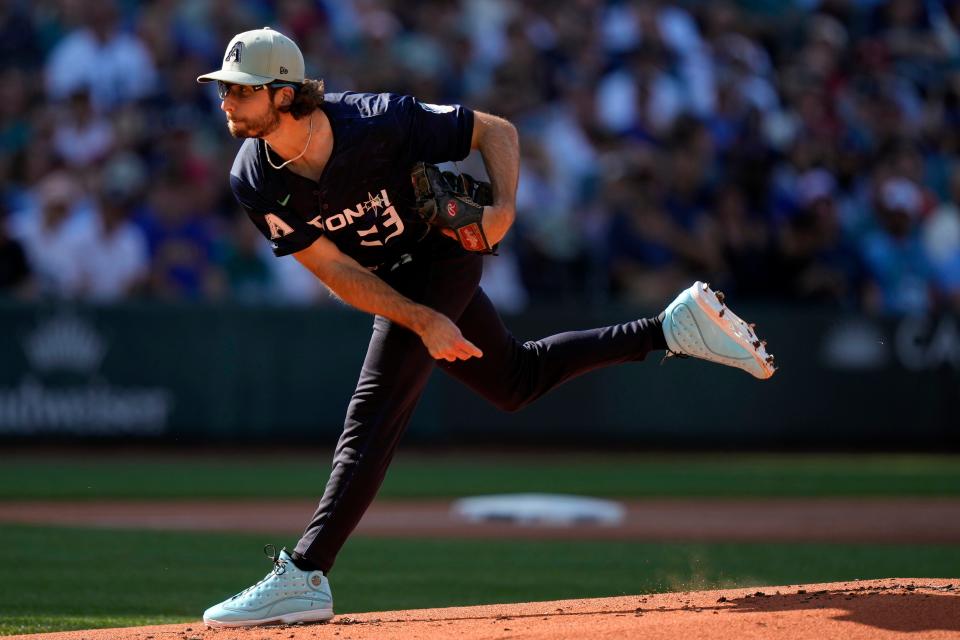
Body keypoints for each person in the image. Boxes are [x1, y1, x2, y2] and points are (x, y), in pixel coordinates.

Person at [197, 27, 776, 628]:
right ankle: (669, 329)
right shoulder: (254, 178)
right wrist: (423, 319)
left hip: (442, 255)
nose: (226, 102)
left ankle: (307, 574)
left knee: (371, 414)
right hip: (399, 285)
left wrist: (501, 212)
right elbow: (334, 270)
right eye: (226, 89)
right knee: (516, 382)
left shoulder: (378, 121)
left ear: (284, 95)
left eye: (241, 91)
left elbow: (495, 130)